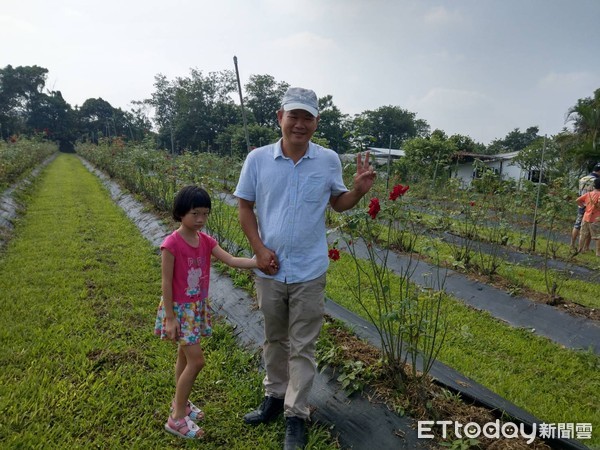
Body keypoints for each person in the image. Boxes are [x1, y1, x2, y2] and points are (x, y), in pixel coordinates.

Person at [233, 87, 376, 450]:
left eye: (307, 117)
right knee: (274, 338)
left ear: (316, 122)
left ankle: (296, 414)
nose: (299, 124)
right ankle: (273, 398)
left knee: (303, 345)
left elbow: (338, 204)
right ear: (280, 117)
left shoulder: (328, 160)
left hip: (310, 271)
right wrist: (259, 249)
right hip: (270, 269)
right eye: (293, 115)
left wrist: (357, 192)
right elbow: (245, 207)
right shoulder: (258, 160)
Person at [154, 185, 258, 440]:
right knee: (197, 361)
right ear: (181, 213)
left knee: (184, 357)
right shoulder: (172, 244)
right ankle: (176, 418)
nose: (200, 219)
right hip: (179, 310)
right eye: (195, 214)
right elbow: (166, 283)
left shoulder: (206, 241)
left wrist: (258, 261)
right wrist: (170, 317)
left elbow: (231, 260)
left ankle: (181, 403)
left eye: (205, 214)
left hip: (196, 307)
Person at [570, 163, 600, 252]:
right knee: (590, 227)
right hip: (592, 207)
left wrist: (582, 205)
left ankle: (572, 244)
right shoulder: (596, 180)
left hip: (582, 204)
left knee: (577, 225)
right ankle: (586, 247)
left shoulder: (583, 178)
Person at [576, 177, 600, 256]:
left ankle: (580, 249)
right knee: (598, 236)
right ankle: (598, 253)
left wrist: (583, 206)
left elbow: (578, 200)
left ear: (594, 186)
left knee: (583, 234)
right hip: (596, 218)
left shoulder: (588, 194)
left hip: (586, 216)